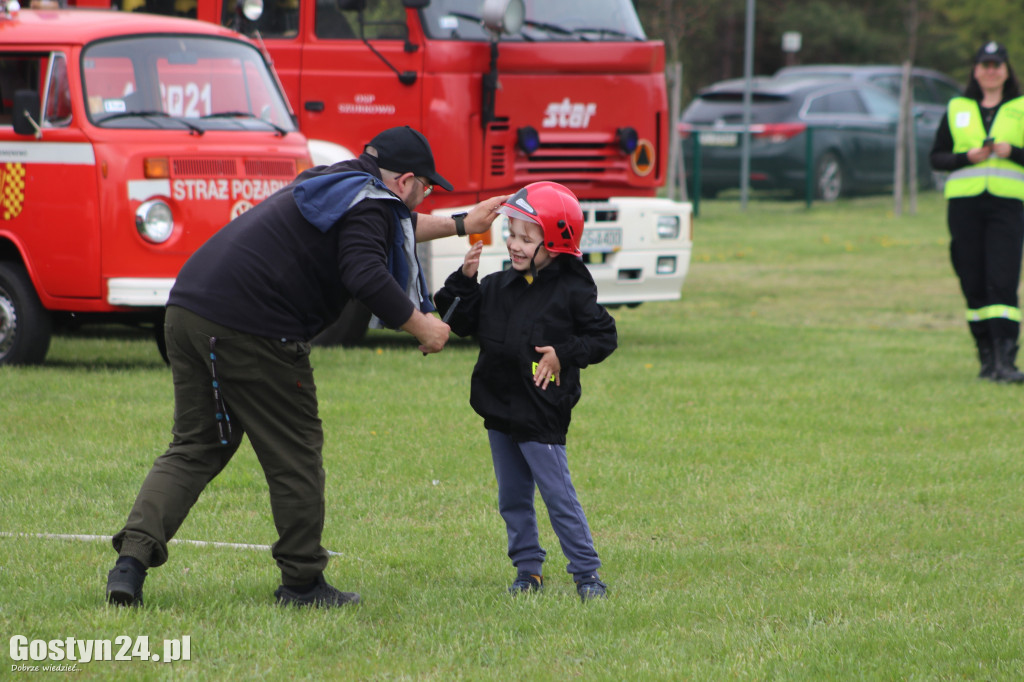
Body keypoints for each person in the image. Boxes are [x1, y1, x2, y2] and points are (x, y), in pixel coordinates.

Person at [105, 125, 507, 608]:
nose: (423, 199)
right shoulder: (373, 204)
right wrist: (421, 325)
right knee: (295, 454)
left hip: (189, 309)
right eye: (425, 188)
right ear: (404, 182)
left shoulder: (336, 181)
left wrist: (463, 223)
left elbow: (391, 225)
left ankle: (130, 563)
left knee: (196, 445)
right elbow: (364, 269)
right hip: (252, 326)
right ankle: (302, 584)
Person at [433, 181, 617, 601]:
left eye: (525, 238)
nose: (514, 244)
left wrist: (563, 354)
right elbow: (456, 321)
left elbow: (604, 336)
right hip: (499, 409)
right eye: (512, 234)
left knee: (558, 498)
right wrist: (464, 281)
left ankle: (587, 574)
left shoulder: (573, 289)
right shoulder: (497, 286)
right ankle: (527, 570)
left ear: (554, 243)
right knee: (512, 498)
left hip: (541, 412)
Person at [931, 41, 1024, 383]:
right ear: (975, 70)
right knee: (972, 281)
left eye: (997, 65)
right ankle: (986, 357)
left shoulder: (1021, 108)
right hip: (965, 206)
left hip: (1007, 205)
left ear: (1006, 70)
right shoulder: (957, 109)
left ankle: (1006, 361)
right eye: (984, 64)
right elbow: (936, 157)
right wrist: (965, 158)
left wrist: (1011, 151)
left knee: (1002, 281)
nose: (990, 70)